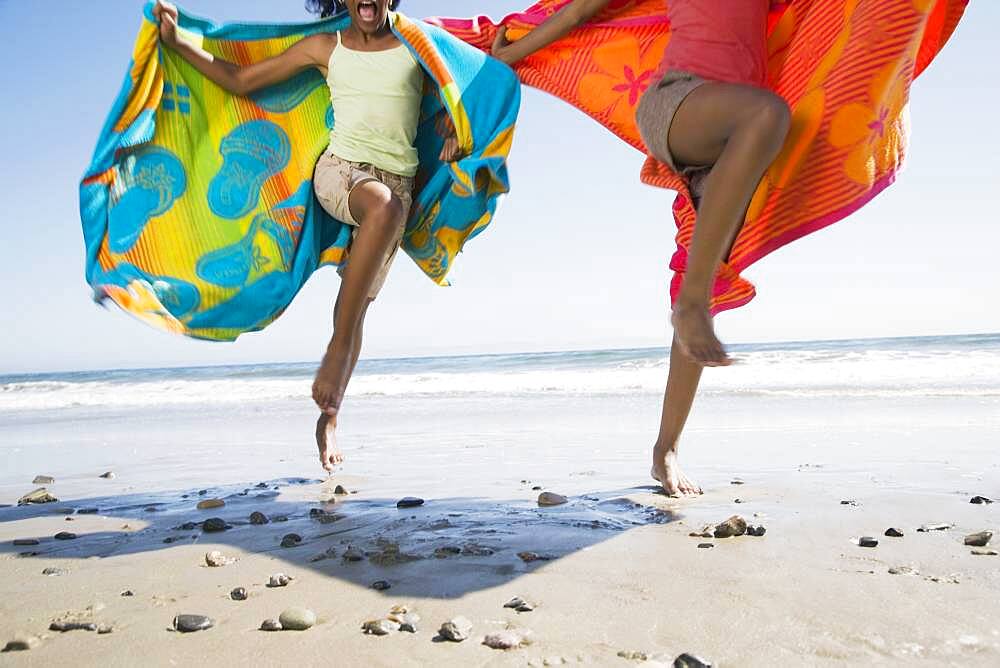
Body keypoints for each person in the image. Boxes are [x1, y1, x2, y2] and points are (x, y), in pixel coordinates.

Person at [492, 0, 789, 496]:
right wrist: (511, 57)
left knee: (703, 279)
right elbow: (577, 13)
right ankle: (691, 305)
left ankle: (665, 451)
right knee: (767, 113)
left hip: (735, 138)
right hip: (678, 105)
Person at [154, 0, 462, 472]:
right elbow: (242, 80)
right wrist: (179, 42)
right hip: (341, 174)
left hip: (397, 184)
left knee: (352, 310)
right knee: (381, 209)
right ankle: (334, 351)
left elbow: (470, 78)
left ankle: (329, 419)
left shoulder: (416, 44)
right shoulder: (325, 46)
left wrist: (456, 124)